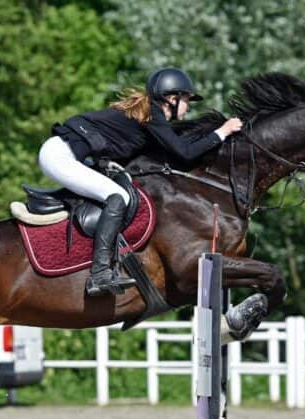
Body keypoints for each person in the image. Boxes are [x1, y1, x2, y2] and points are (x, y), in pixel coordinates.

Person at [39, 67, 244, 296]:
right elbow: (185, 153)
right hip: (59, 155)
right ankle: (99, 274)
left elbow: (172, 152)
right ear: (171, 98)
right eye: (186, 100)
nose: (188, 107)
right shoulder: (153, 115)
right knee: (118, 196)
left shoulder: (149, 118)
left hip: (62, 153)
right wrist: (222, 132)